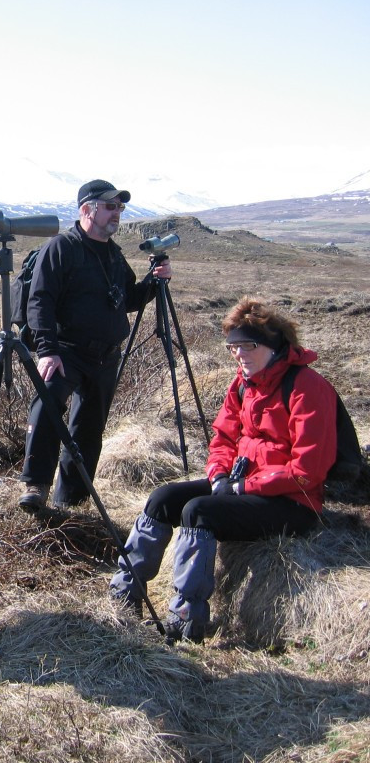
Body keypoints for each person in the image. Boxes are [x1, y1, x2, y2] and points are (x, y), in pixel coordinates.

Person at [109, 297, 337, 644]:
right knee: (163, 498)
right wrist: (218, 475)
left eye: (249, 345)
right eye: (233, 347)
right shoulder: (243, 383)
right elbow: (224, 438)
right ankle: (124, 596)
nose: (239, 354)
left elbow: (308, 471)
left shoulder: (307, 387)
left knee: (198, 511)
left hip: (294, 501)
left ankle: (186, 619)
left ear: (274, 346)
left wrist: (242, 488)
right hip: (241, 486)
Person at [18, 179, 172, 516]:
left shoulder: (114, 255)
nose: (117, 213)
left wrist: (154, 282)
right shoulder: (61, 248)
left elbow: (126, 299)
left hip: (105, 355)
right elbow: (39, 300)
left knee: (88, 430)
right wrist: (47, 350)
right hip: (66, 350)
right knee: (47, 405)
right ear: (88, 210)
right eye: (110, 206)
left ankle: (70, 501)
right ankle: (36, 486)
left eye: (120, 207)